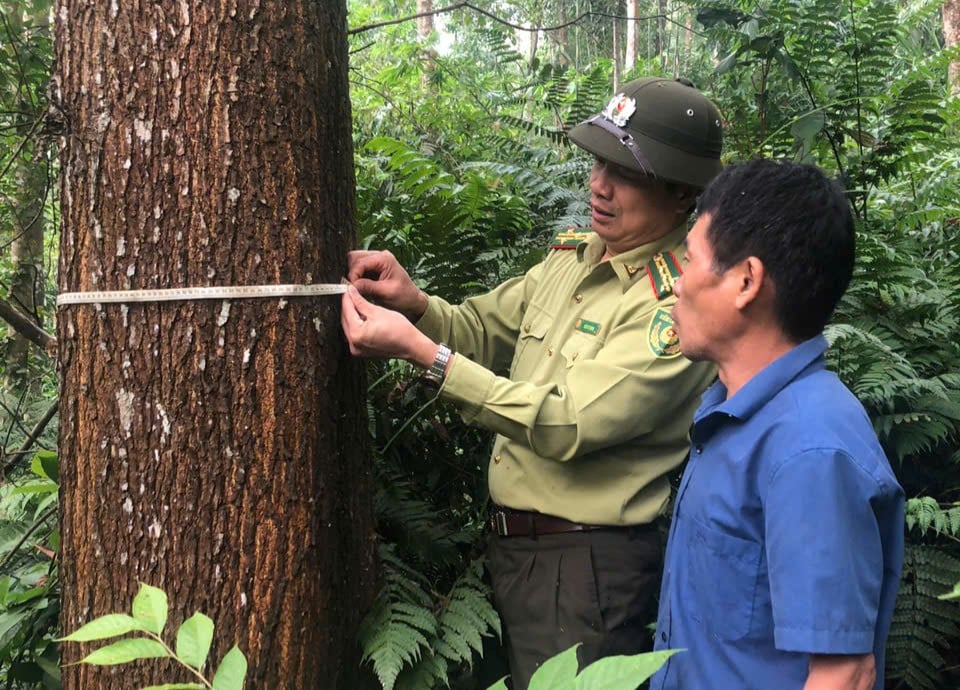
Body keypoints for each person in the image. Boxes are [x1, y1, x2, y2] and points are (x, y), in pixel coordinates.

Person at [341, 77, 723, 689]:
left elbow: (568, 421)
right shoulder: (574, 258)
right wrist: (415, 304)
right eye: (600, 160)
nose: (600, 184)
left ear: (682, 193)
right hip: (519, 552)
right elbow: (479, 328)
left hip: (586, 566)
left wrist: (428, 359)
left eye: (626, 172)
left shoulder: (671, 307)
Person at [650, 158, 904, 690]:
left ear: (746, 280)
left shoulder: (809, 449)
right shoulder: (737, 413)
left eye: (689, 260)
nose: (674, 284)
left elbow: (844, 675)